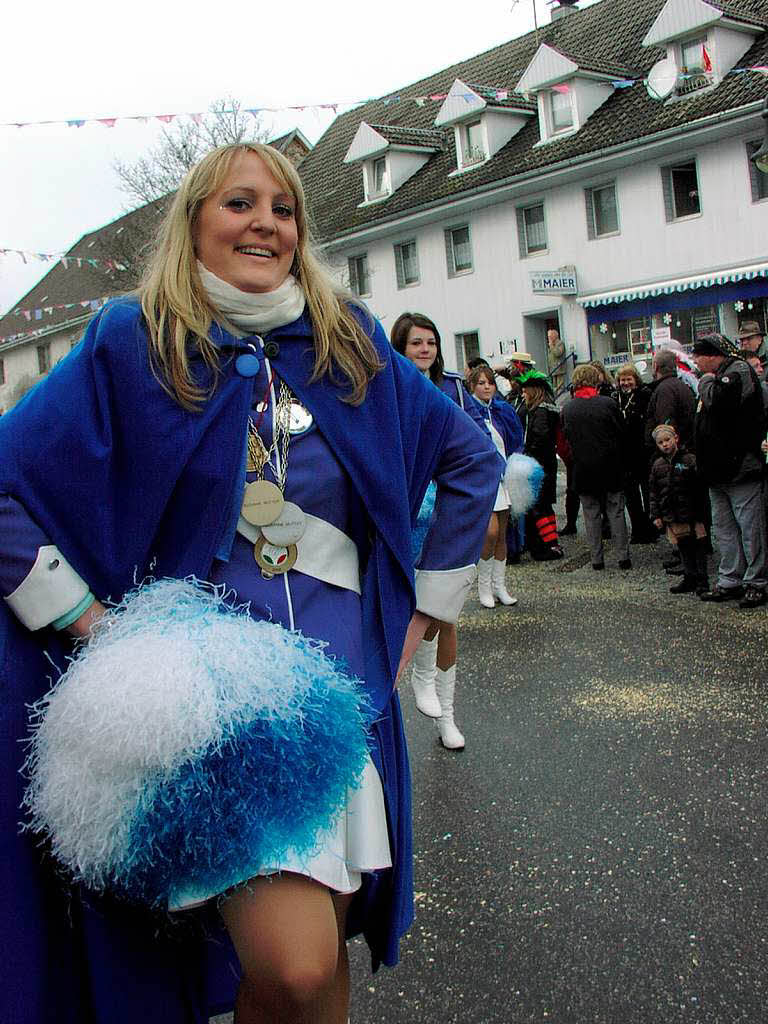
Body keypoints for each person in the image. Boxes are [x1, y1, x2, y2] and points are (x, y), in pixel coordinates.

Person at [0, 143, 500, 1024]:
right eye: (238, 202)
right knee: (296, 966)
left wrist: (423, 614)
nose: (265, 220)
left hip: (348, 693)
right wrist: (85, 622)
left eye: (283, 206)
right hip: (215, 707)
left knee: (323, 959)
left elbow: (468, 459)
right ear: (193, 221)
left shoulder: (349, 338)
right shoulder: (134, 338)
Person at [390, 311, 477, 750]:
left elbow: (472, 455)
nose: (425, 350)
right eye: (416, 343)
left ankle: (447, 715)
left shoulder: (451, 393)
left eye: (431, 342)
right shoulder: (387, 393)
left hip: (442, 517)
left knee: (444, 615)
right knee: (398, 618)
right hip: (402, 518)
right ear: (399, 348)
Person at [693, 333, 768, 608]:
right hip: (716, 470)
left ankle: (757, 582)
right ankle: (730, 580)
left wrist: (706, 383)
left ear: (712, 355)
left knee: (751, 529)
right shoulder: (719, 375)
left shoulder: (736, 370)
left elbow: (720, 404)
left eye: (698, 356)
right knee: (725, 529)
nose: (695, 362)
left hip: (740, 466)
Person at [560, 363, 631, 571]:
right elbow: (621, 433)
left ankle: (597, 559)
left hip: (583, 467)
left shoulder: (569, 408)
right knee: (616, 512)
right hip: (610, 466)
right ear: (596, 380)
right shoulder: (608, 404)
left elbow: (566, 440)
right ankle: (623, 556)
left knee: (590, 515)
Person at [465, 364, 524, 602]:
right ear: (472, 386)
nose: (486, 387)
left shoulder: (502, 410)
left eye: (490, 382)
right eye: (481, 383)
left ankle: (499, 587)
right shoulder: (467, 412)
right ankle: (483, 589)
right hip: (482, 480)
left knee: (502, 536)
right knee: (489, 533)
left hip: (504, 479)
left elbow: (515, 441)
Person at [649, 425, 710, 594]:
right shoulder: (657, 465)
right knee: (683, 546)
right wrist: (656, 515)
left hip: (692, 512)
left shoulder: (689, 459)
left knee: (698, 546)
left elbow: (700, 488)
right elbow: (654, 492)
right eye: (660, 442)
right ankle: (689, 576)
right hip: (672, 513)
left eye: (667, 440)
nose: (665, 445)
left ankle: (702, 580)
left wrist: (702, 512)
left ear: (676, 438)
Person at [518, 370, 563, 560]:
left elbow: (539, 438)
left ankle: (543, 546)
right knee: (545, 506)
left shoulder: (540, 412)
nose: (522, 394)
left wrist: (526, 456)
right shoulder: (549, 408)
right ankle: (551, 542)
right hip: (547, 464)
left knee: (538, 507)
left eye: (525, 391)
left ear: (533, 391)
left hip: (538, 466)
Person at [615, 362, 656, 544]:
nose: (625, 383)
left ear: (635, 380)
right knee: (631, 496)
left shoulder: (645, 395)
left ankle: (651, 527)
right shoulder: (615, 398)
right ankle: (638, 529)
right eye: (622, 380)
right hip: (625, 454)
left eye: (628, 379)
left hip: (643, 452)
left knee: (648, 493)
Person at [644, 347, 697, 454]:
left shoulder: (665, 390)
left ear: (655, 366)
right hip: (685, 447)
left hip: (673, 454)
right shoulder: (681, 385)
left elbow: (666, 425)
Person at [547, 328, 567, 395]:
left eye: (550, 336)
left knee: (560, 384)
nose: (549, 338)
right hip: (553, 367)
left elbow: (558, 353)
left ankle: (561, 394)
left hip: (559, 367)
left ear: (554, 336)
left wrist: (552, 346)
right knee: (554, 385)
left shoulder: (560, 343)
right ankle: (556, 395)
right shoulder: (551, 344)